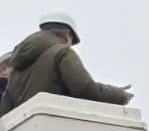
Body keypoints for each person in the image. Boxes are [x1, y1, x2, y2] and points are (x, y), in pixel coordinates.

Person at [0, 12, 131, 116]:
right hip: (54, 128)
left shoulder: (16, 70)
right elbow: (84, 88)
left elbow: (5, 112)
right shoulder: (62, 52)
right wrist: (118, 95)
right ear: (68, 34)